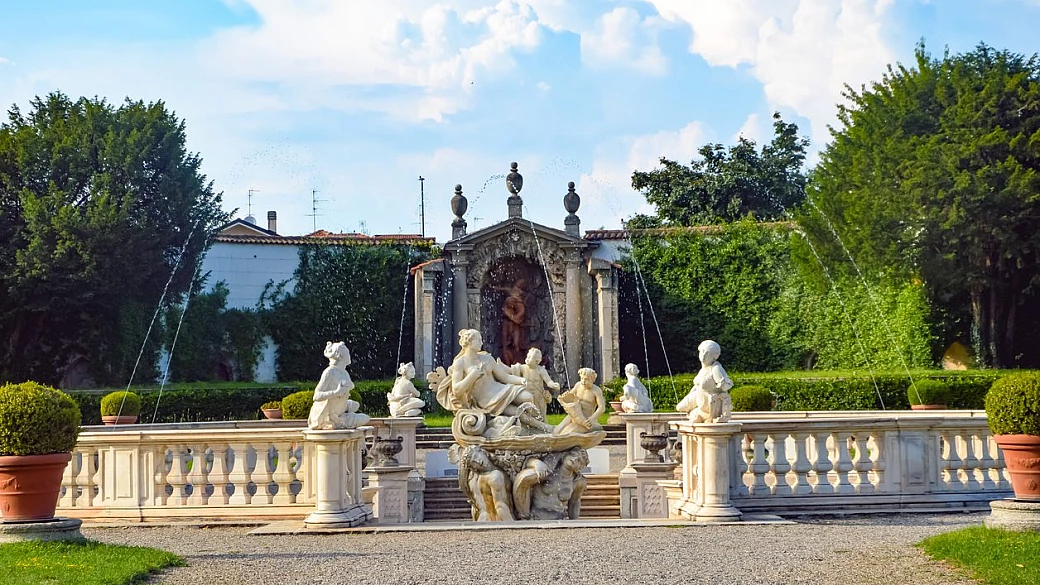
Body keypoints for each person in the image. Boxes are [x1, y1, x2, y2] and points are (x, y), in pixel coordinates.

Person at [449, 329, 542, 419]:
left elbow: (505, 377)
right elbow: (456, 390)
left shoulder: (487, 358)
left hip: (500, 389)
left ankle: (537, 422)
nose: (481, 343)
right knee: (519, 413)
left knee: (528, 397)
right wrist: (471, 376)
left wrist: (521, 380)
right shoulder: (460, 362)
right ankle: (540, 426)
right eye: (478, 340)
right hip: (487, 400)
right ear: (469, 342)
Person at [308, 341, 371, 430]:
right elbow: (316, 396)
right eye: (347, 353)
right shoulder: (329, 372)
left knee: (356, 406)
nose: (349, 355)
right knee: (364, 418)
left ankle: (343, 417)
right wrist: (336, 392)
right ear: (340, 356)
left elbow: (350, 386)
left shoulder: (344, 372)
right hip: (330, 414)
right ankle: (337, 422)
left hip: (340, 407)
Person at [676, 340, 734, 423]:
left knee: (686, 409)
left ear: (715, 356)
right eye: (702, 351)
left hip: (708, 400)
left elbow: (725, 387)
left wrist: (721, 384)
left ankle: (701, 415)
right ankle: (698, 414)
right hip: (698, 396)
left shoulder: (716, 369)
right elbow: (696, 386)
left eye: (708, 353)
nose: (703, 356)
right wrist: (690, 394)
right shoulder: (702, 370)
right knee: (679, 407)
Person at [553, 367, 606, 435]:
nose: (583, 382)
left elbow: (602, 408)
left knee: (568, 432)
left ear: (593, 379)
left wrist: (592, 418)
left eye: (586, 379)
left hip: (586, 420)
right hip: (573, 415)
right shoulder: (578, 385)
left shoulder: (596, 391)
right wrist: (564, 397)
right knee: (557, 430)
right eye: (582, 378)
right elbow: (570, 396)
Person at [511, 347, 560, 419]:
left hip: (539, 397)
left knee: (541, 416)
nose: (527, 359)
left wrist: (553, 385)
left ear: (537, 361)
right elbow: (512, 370)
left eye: (530, 357)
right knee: (528, 416)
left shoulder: (541, 370)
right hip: (527, 396)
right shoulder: (523, 368)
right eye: (528, 356)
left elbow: (548, 381)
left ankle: (543, 425)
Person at [496, 279, 527, 366]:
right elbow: (501, 289)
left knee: (516, 345)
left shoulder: (521, 295)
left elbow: (522, 308)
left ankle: (517, 362)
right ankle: (508, 364)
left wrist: (515, 318)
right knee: (505, 345)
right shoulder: (506, 310)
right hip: (508, 324)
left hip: (516, 325)